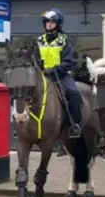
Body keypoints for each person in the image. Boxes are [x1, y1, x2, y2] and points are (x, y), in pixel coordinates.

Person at [33, 8, 82, 138]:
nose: (49, 24)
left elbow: (69, 60)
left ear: (58, 24)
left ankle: (74, 124)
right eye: (47, 22)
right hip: (42, 75)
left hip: (60, 75)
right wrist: (39, 70)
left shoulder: (64, 40)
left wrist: (56, 69)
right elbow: (34, 58)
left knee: (74, 94)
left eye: (52, 22)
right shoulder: (39, 41)